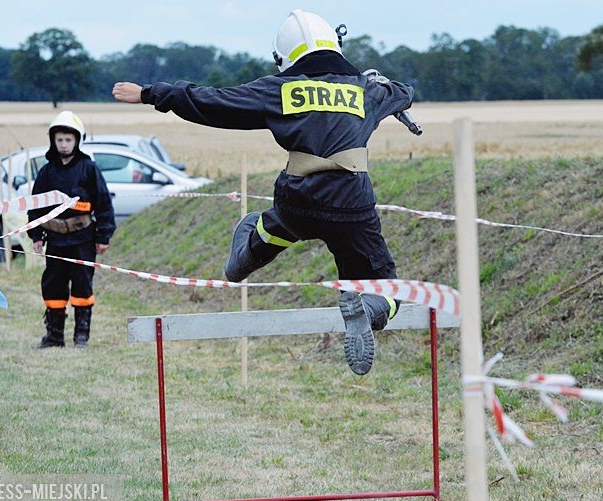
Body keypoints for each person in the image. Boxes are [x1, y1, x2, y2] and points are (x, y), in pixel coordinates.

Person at [112, 9, 414, 375]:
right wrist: (380, 83)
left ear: (285, 57)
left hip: (297, 201)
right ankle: (366, 308)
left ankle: (246, 254)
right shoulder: (365, 92)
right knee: (388, 287)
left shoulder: (280, 89)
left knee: (284, 221)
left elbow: (213, 101)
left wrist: (151, 93)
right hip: (352, 206)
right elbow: (403, 92)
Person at [27, 111, 116, 349]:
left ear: (77, 140)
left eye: (68, 140)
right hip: (55, 241)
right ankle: (54, 336)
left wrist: (103, 236)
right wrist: (36, 235)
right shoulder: (46, 172)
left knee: (82, 286)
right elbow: (35, 206)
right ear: (53, 141)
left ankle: (81, 337)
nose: (64, 145)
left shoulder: (89, 169)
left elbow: (104, 204)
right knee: (53, 286)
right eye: (59, 140)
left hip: (83, 241)